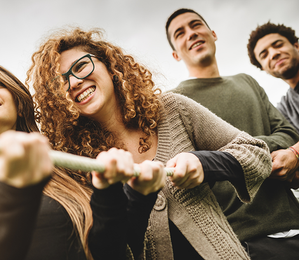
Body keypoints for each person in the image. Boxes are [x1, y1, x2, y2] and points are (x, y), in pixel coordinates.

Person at [26, 27, 272, 260]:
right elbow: (108, 249)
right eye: (61, 82)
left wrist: (205, 164)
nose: (74, 82)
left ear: (109, 65)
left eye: (81, 66)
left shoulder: (172, 110)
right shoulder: (77, 166)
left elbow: (256, 152)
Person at [0, 58, 166, 260]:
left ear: (18, 103)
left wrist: (131, 195)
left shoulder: (64, 171)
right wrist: (17, 187)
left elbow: (111, 252)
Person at [166, 8, 299, 259]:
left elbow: (288, 131)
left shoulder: (246, 81)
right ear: (175, 54)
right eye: (180, 33)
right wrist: (249, 153)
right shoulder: (175, 103)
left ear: (213, 34)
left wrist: (249, 151)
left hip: (293, 219)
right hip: (243, 240)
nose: (191, 34)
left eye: (196, 25)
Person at [248, 22, 299, 187]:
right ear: (263, 68)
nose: (273, 54)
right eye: (264, 54)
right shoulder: (284, 109)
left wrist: (295, 153)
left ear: (296, 46)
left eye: (278, 45)